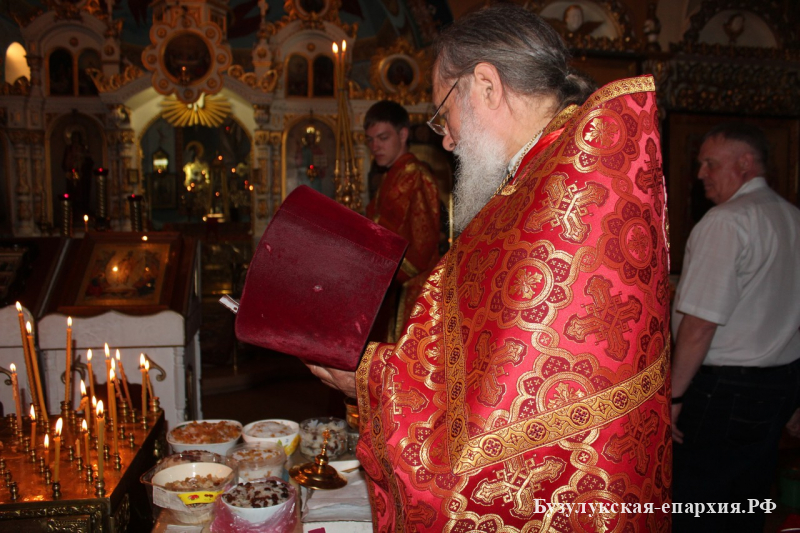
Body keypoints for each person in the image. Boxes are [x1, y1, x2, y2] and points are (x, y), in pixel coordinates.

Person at [307, 4, 671, 530]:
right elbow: (494, 363)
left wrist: (370, 378)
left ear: (486, 85)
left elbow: (517, 411)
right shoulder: (543, 177)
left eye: (443, 113)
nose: (446, 139)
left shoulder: (571, 190)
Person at [671, 122, 800, 532]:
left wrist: (674, 395)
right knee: (747, 502)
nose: (700, 174)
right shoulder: (793, 218)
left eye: (710, 163)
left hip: (725, 392)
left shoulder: (726, 222)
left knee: (699, 506)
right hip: (780, 383)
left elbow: (699, 325)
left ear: (744, 163)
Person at [364, 100, 440, 338]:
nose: (375, 146)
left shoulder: (417, 175)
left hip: (412, 294)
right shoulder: (390, 177)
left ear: (403, 134)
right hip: (390, 290)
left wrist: (378, 277)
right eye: (370, 140)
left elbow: (423, 245)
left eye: (383, 138)